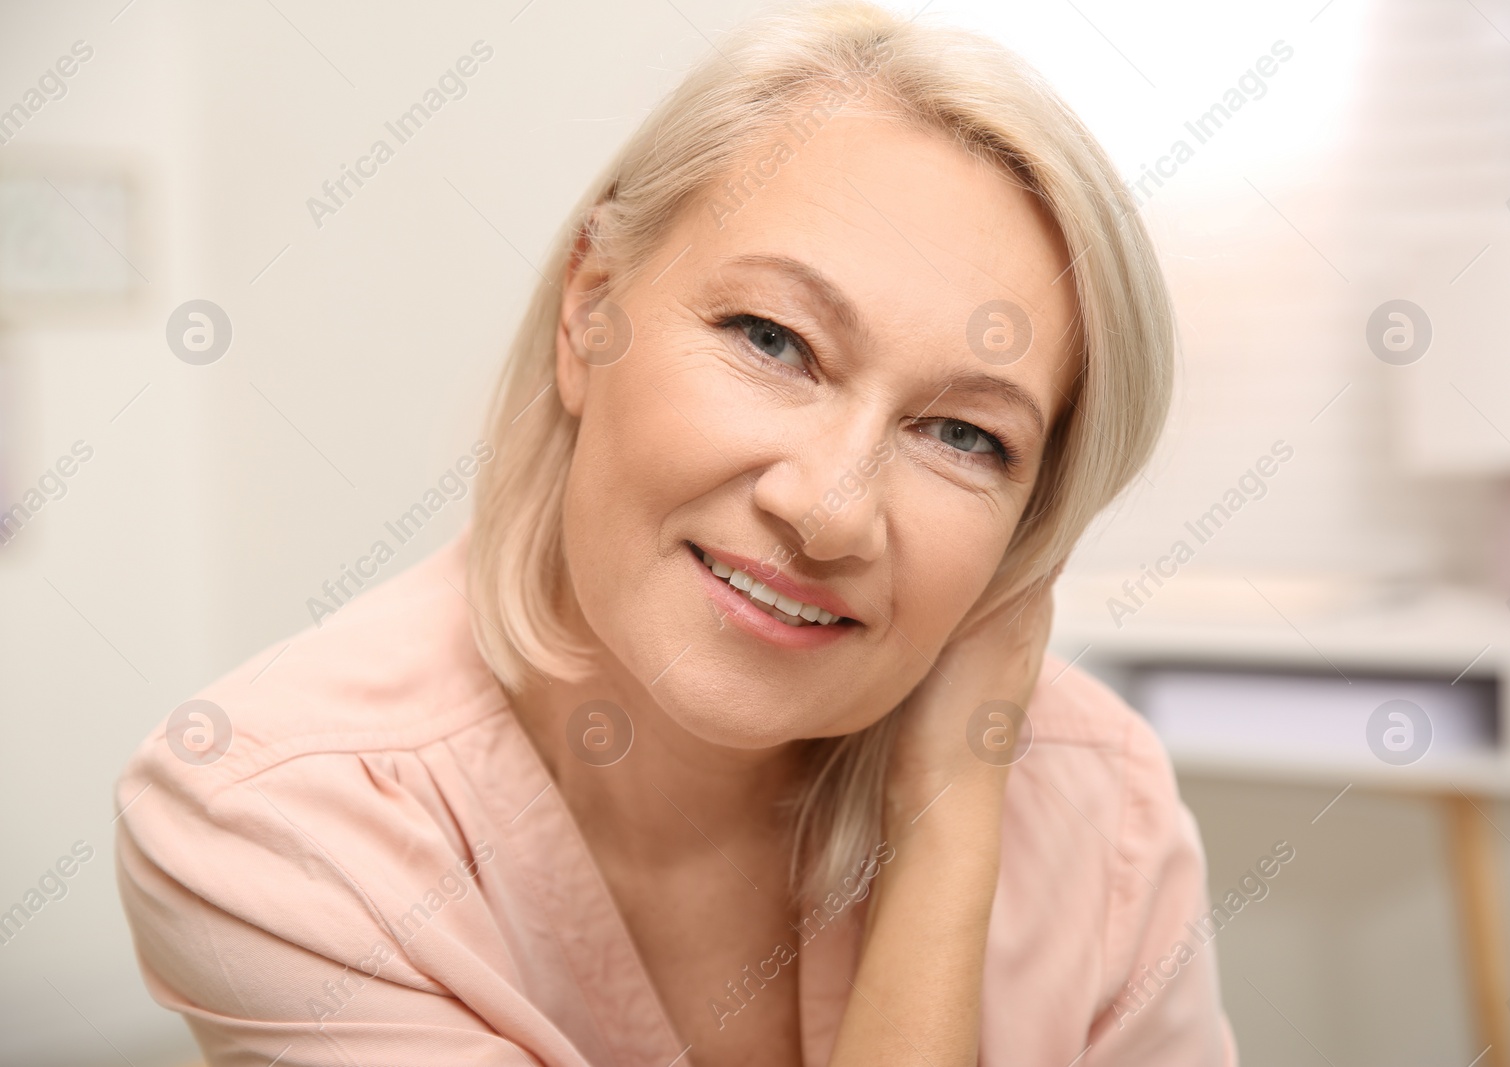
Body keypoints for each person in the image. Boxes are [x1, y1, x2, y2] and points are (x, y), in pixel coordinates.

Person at [115, 2, 1236, 1063]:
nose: (829, 507)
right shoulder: (270, 810)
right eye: (771, 339)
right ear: (588, 311)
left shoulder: (1103, 809)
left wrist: (949, 816)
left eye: (961, 433)